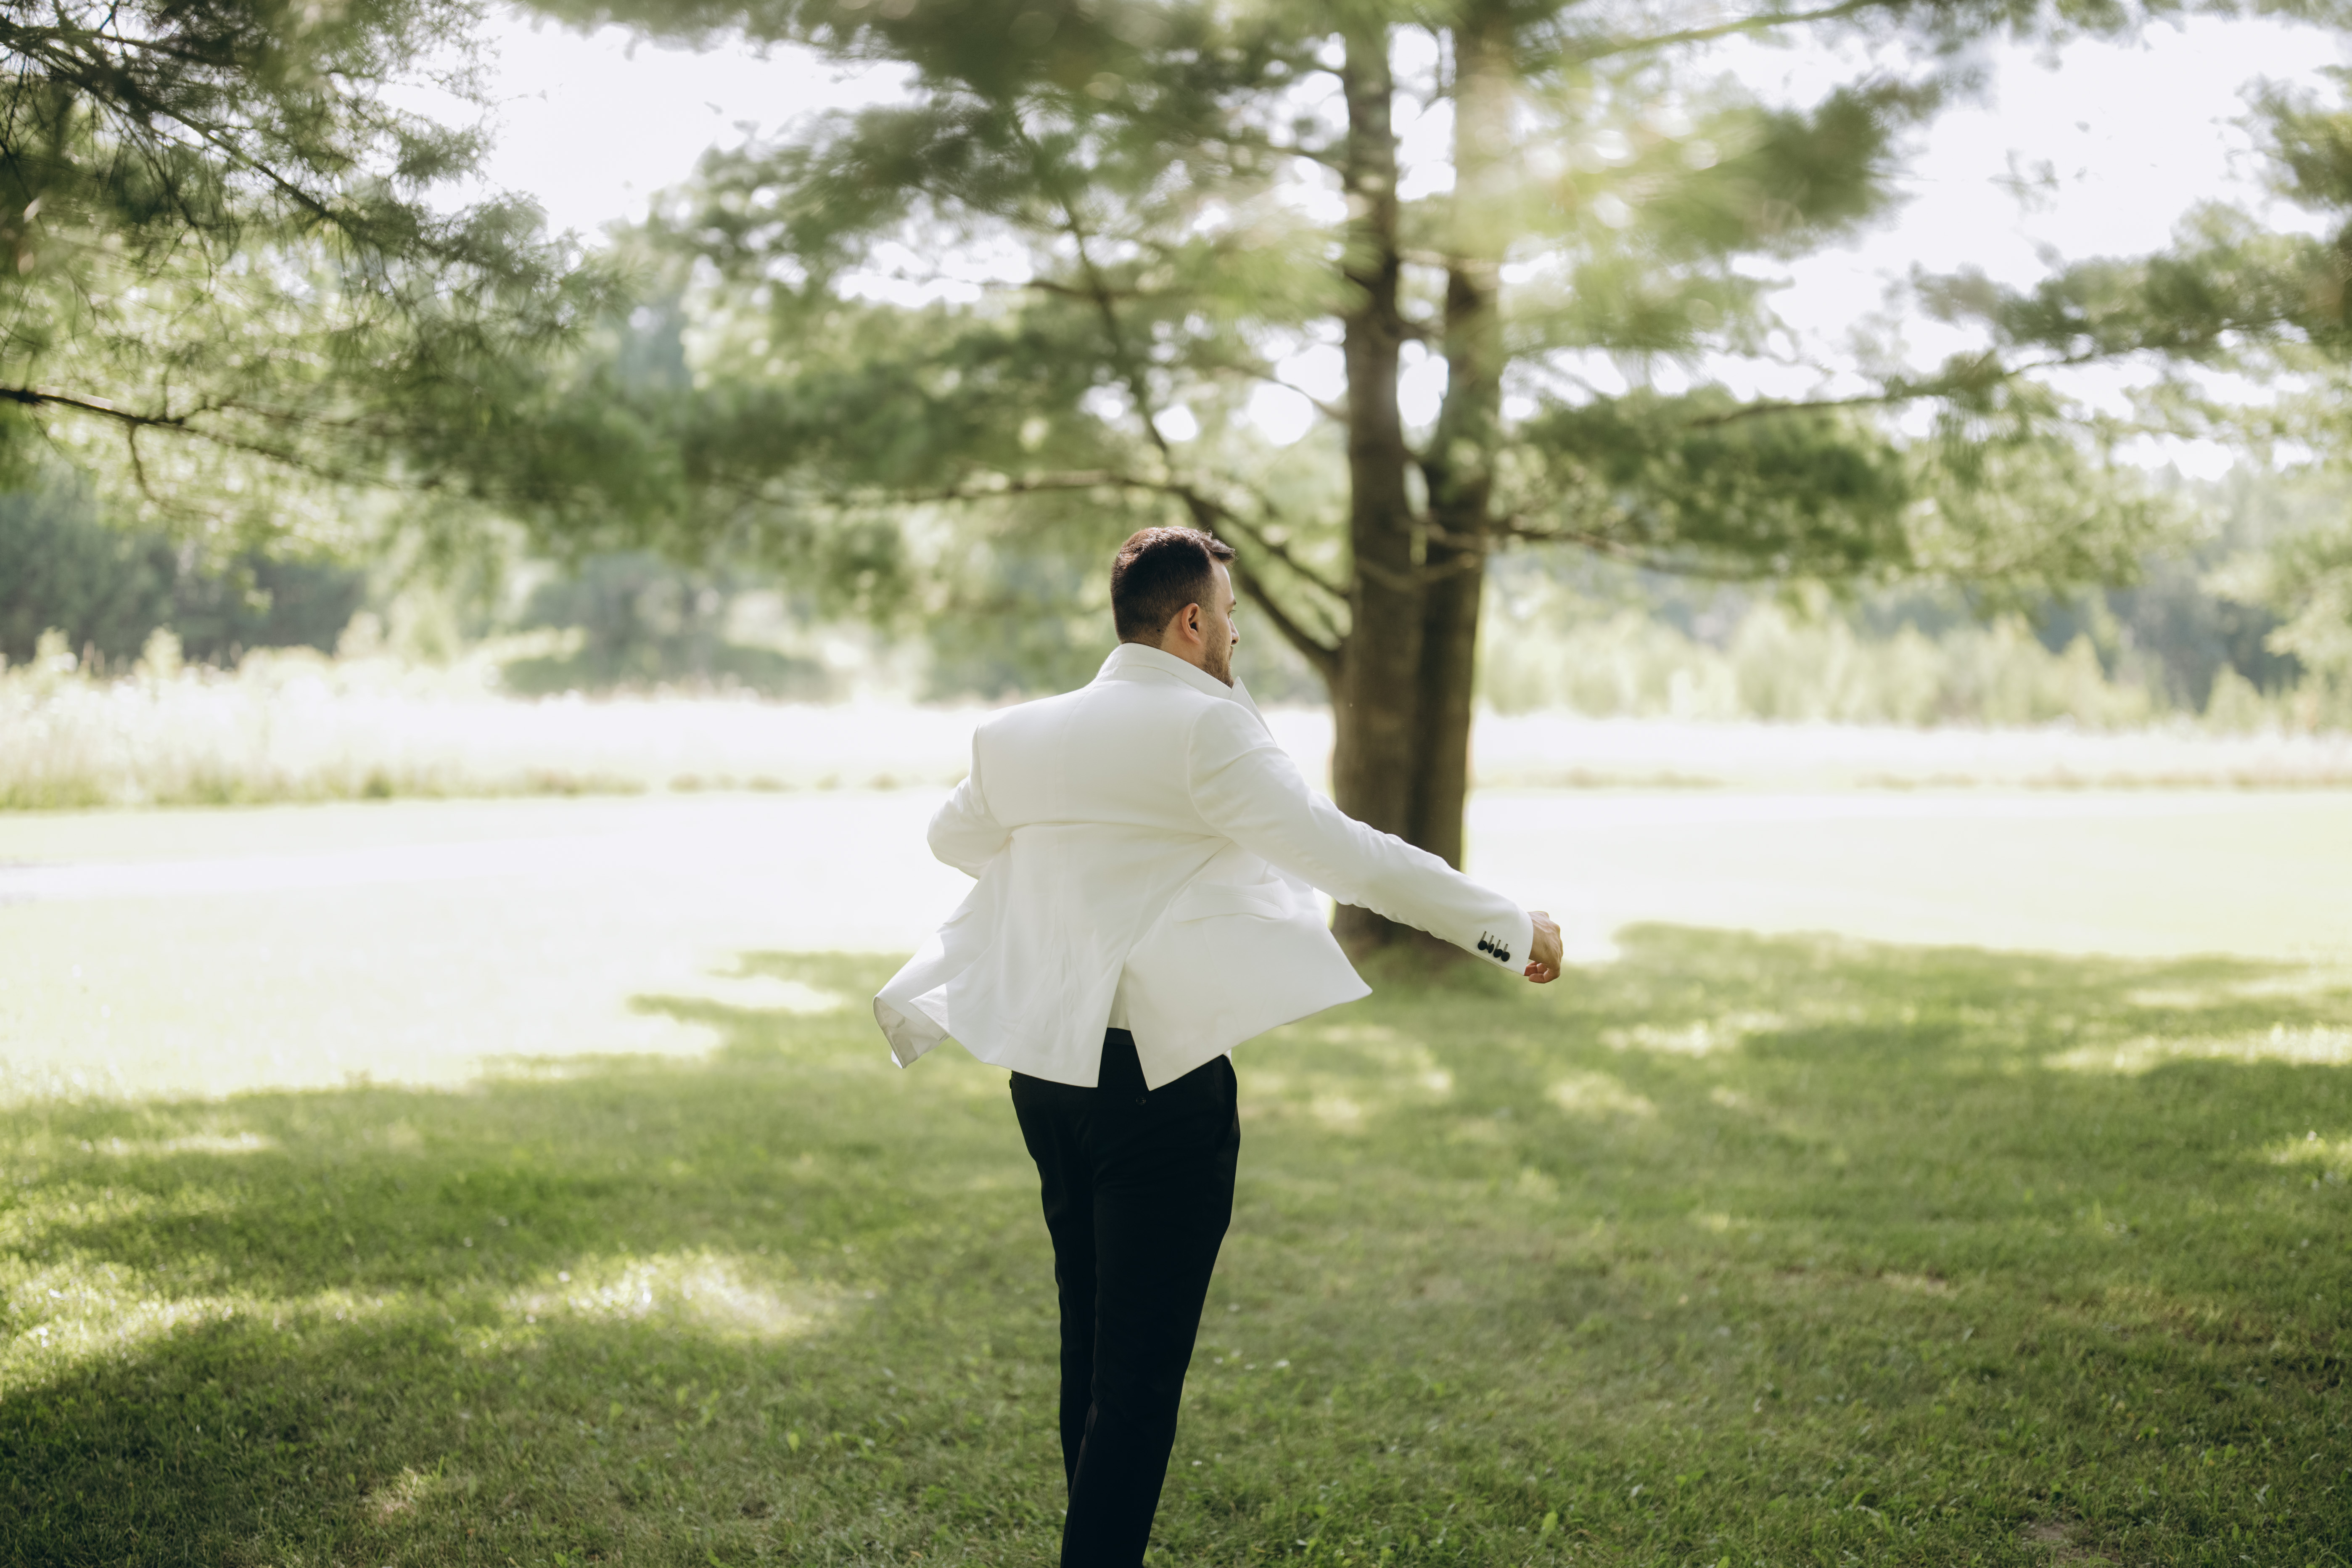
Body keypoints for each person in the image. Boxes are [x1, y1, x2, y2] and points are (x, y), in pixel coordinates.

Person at [872, 526, 1564, 1567]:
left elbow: (954, 837)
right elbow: (1350, 857)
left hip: (1047, 1080)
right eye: (1231, 618)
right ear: (1192, 622)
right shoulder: (1205, 728)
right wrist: (1511, 926)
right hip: (1159, 1093)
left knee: (1089, 1348)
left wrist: (1085, 863)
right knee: (1137, 1381)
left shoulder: (1017, 734)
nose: (1237, 637)